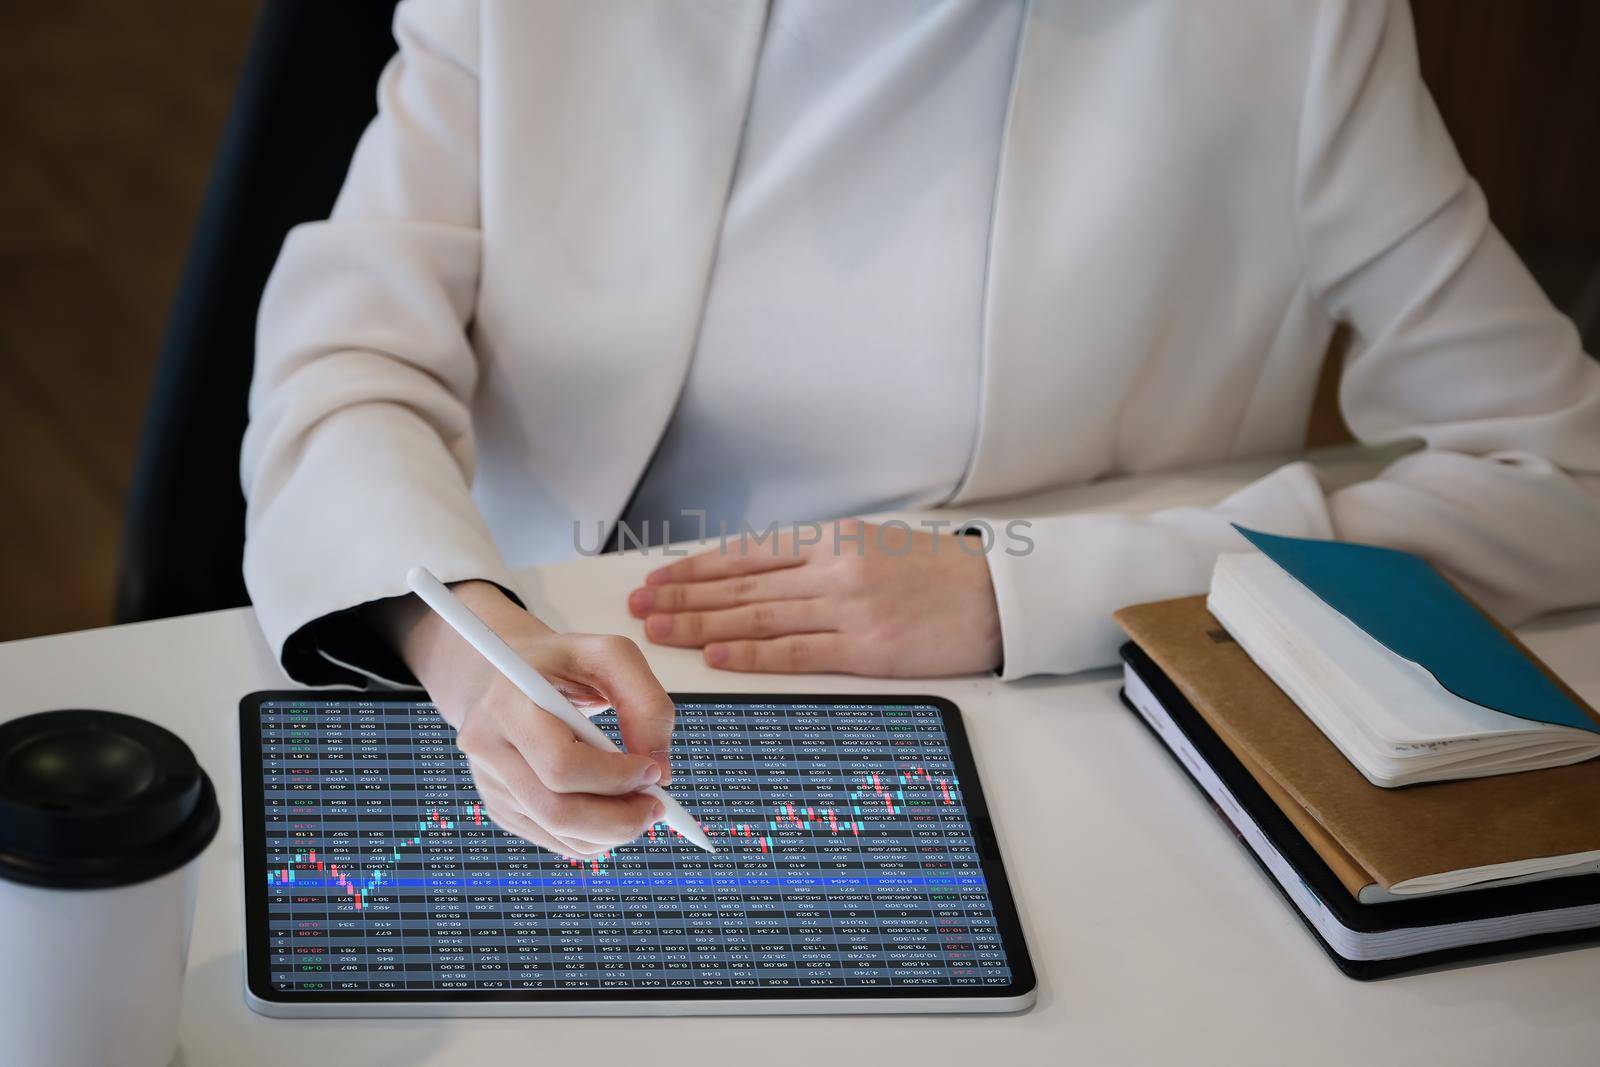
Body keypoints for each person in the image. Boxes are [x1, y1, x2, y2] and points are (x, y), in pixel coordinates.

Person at [242, 0, 1600, 860]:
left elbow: (1562, 478)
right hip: (557, 700)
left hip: (1064, 744)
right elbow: (341, 361)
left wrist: (1035, 588)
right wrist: (474, 653)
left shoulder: (1289, 26)